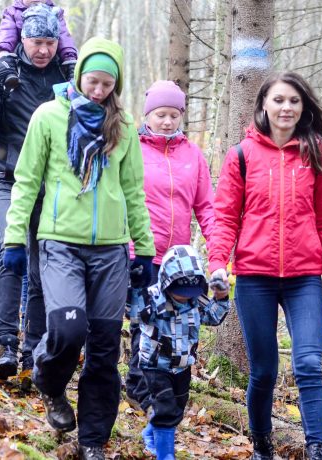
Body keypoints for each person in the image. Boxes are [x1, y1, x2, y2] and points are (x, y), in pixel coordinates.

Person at [1, 37, 155, 460]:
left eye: (107, 84)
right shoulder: (49, 116)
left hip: (110, 252)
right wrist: (15, 238)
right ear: (79, 74)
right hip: (59, 245)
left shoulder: (122, 129)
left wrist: (145, 250)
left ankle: (92, 442)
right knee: (68, 329)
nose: (98, 91)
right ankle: (48, 379)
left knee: (104, 351)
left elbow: (133, 192)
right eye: (92, 81)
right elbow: (27, 182)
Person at [209, 72, 322, 460]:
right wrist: (218, 262)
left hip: (305, 276)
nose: (286, 108)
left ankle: (317, 449)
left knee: (308, 363)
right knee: (264, 370)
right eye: (279, 100)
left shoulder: (320, 154)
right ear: (264, 105)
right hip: (254, 276)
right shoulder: (242, 154)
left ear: (303, 108)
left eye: (294, 101)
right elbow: (225, 218)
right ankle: (261, 445)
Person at [0, 4, 70, 381]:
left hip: (50, 182)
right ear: (22, 40)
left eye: (49, 42)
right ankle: (5, 341)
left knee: (43, 266)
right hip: (5, 177)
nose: (42, 50)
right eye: (35, 42)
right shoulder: (4, 69)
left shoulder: (65, 74)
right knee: (13, 253)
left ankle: (34, 349)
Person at [124, 80, 215, 412]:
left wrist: (216, 245)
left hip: (178, 260)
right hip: (140, 252)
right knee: (143, 319)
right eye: (160, 114)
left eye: (173, 115)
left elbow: (206, 206)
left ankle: (163, 390)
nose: (166, 121)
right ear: (148, 114)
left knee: (171, 326)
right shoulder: (132, 148)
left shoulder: (192, 154)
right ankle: (137, 385)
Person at [133, 245, 229, 460]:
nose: (184, 297)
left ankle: (150, 433)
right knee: (166, 408)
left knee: (176, 408)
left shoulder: (197, 301)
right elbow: (135, 312)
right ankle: (166, 455)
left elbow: (213, 317)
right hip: (155, 366)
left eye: (189, 293)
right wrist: (135, 285)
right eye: (180, 292)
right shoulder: (152, 297)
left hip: (183, 366)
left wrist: (221, 297)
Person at [0, 0, 77, 79]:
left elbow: (64, 36)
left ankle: (71, 71)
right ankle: (8, 74)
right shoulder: (13, 12)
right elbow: (6, 32)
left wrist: (70, 57)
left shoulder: (54, 12)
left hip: (50, 58)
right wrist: (3, 51)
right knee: (5, 60)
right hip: (20, 55)